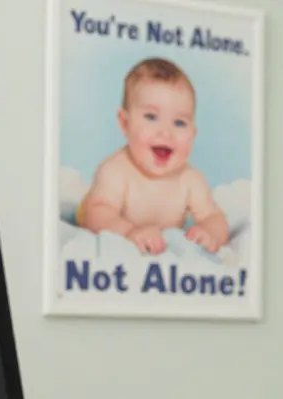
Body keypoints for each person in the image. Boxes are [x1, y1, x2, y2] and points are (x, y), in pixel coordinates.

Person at [77, 56, 229, 256]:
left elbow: (215, 217)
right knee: (89, 206)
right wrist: (129, 232)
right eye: (151, 117)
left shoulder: (190, 179)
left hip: (156, 242)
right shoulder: (116, 170)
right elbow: (95, 214)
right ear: (125, 123)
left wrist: (210, 233)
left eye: (179, 123)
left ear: (193, 133)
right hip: (94, 212)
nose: (166, 132)